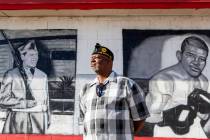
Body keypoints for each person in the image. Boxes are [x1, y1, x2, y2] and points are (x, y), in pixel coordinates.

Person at [79, 43, 150, 140]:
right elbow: (84, 120)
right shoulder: (86, 89)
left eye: (97, 57)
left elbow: (140, 119)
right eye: (92, 58)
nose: (92, 60)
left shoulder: (126, 84)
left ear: (109, 62)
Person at [145, 36, 210, 138]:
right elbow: (148, 116)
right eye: (191, 55)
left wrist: (204, 111)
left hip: (195, 130)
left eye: (202, 59)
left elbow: (203, 116)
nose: (196, 62)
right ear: (179, 55)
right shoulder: (163, 80)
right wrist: (169, 116)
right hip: (166, 132)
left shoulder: (203, 81)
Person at [0, 40, 50, 134]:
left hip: (39, 119)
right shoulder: (11, 74)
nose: (35, 58)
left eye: (36, 55)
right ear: (22, 57)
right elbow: (2, 99)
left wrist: (48, 117)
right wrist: (24, 103)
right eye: (31, 55)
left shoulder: (43, 75)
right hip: (19, 118)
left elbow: (46, 100)